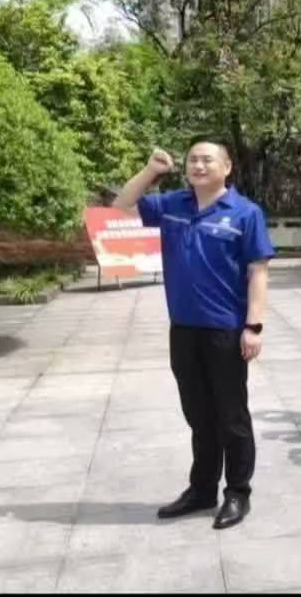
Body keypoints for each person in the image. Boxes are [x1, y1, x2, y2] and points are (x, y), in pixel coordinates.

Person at [112, 136, 275, 530]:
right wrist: (151, 171)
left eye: (207, 160)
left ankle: (237, 492)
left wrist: (253, 326)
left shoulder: (244, 213)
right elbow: (121, 205)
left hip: (225, 330)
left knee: (231, 416)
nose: (198, 166)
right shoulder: (173, 205)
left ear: (226, 167)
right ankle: (202, 490)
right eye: (192, 160)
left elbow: (258, 272)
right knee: (199, 415)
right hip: (183, 329)